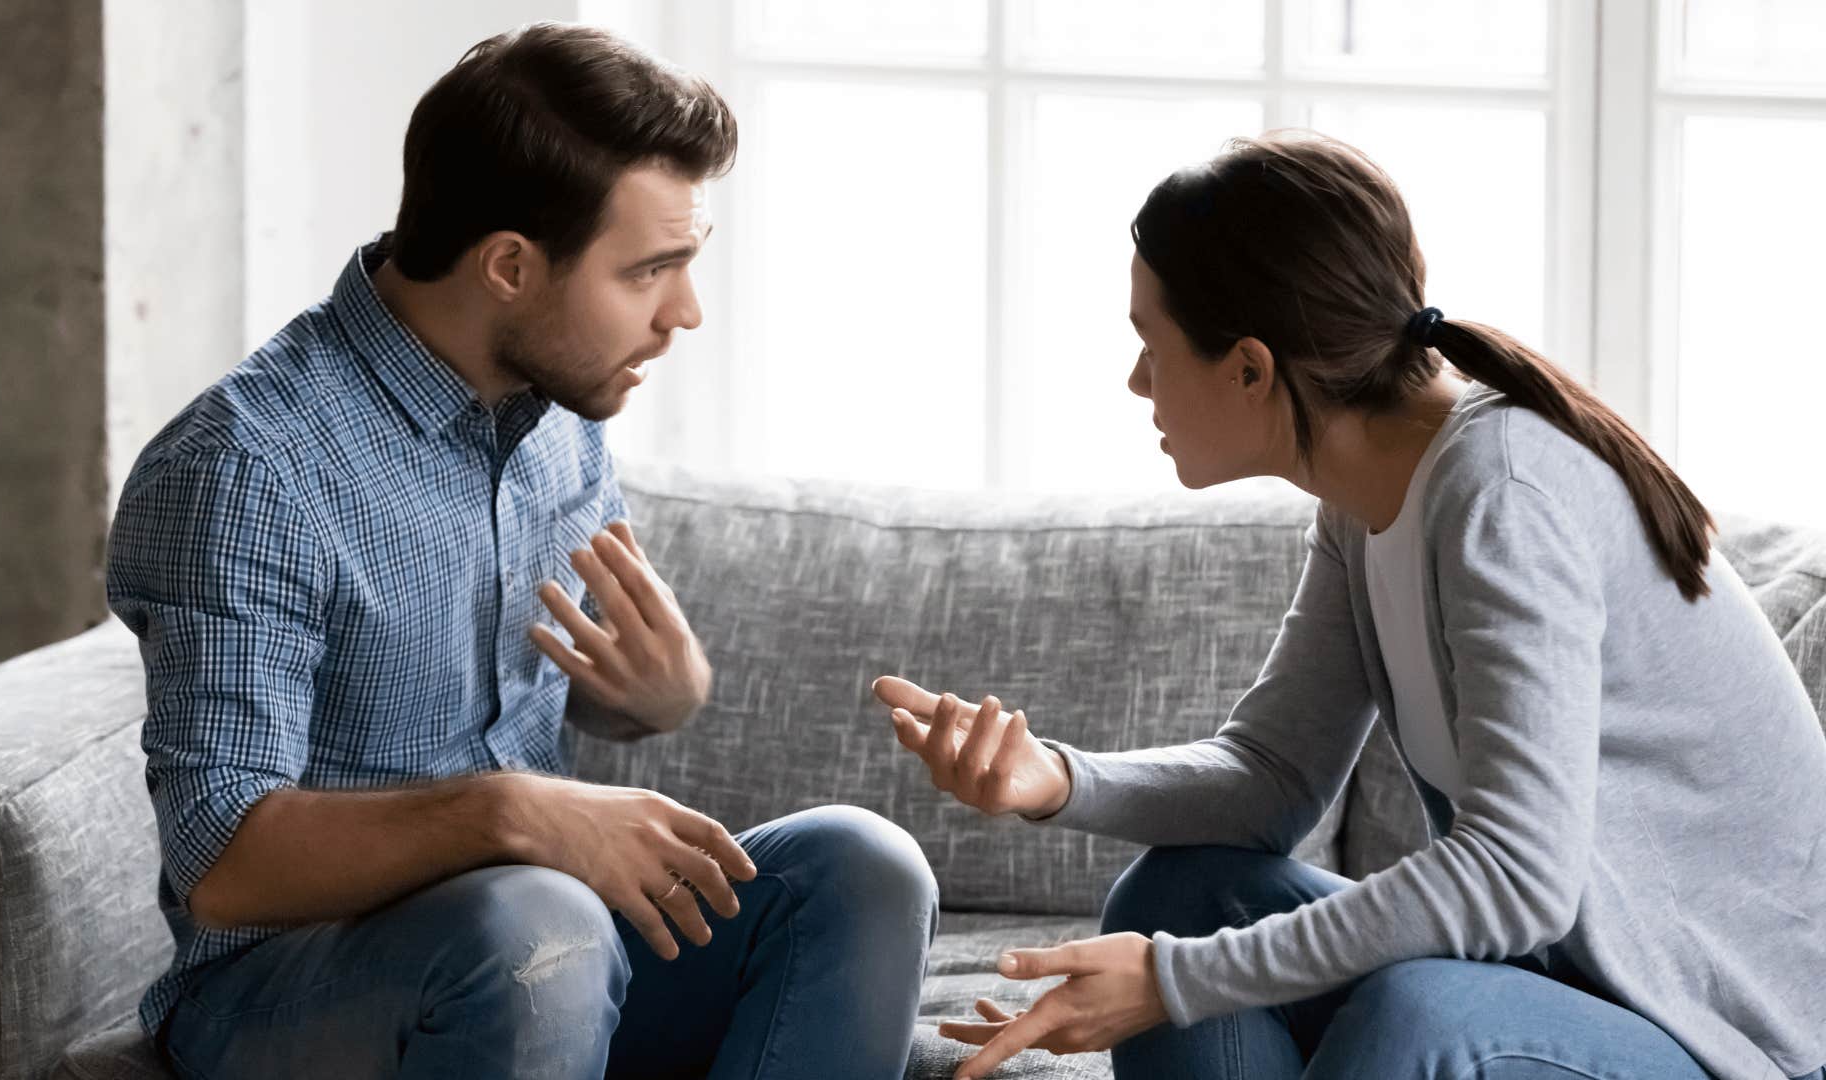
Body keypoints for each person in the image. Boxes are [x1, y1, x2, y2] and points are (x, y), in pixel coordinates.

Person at [873, 130, 1826, 1080]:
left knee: (1421, 1016)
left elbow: (1517, 879)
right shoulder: (1362, 501)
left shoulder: (1504, 493)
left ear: (1249, 367)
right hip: (1575, 991)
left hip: (1738, 1043)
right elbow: (1272, 776)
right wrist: (1058, 780)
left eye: (1149, 346)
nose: (1136, 383)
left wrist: (1174, 981)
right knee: (1179, 894)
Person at [108, 22, 935, 1080]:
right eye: (649, 272)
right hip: (291, 988)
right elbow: (221, 862)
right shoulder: (247, 470)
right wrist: (514, 815)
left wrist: (655, 696)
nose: (683, 313)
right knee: (539, 921)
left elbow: (512, 690)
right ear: (509, 265)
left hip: (551, 959)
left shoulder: (556, 408)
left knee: (861, 868)